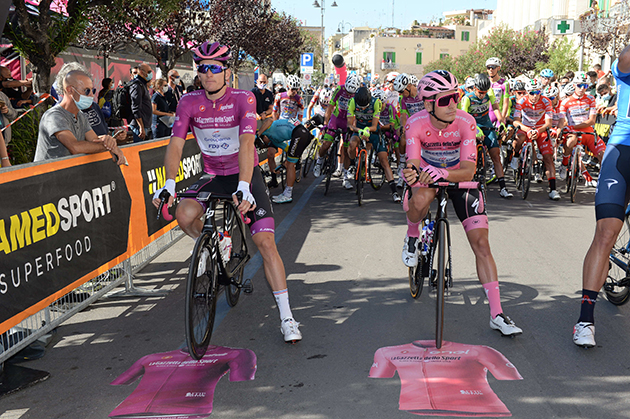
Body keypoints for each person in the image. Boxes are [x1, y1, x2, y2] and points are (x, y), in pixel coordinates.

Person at [151, 41, 302, 343]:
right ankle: (218, 241)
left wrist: (245, 187)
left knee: (266, 242)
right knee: (183, 213)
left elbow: (247, 144)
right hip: (214, 175)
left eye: (214, 68)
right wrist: (169, 182)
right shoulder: (189, 102)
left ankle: (287, 317)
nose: (207, 74)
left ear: (227, 72)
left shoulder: (243, 99)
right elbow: (176, 145)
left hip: (245, 174)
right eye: (202, 68)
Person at [401, 70, 522, 336]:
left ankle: (497, 314)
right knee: (419, 197)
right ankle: (413, 235)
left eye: (456, 97)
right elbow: (412, 159)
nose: (454, 104)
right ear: (428, 103)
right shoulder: (415, 123)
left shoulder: (466, 122)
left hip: (458, 177)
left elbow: (468, 169)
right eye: (446, 100)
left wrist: (443, 173)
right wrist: (411, 171)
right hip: (426, 174)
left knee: (481, 243)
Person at [573, 45, 630, 348]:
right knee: (606, 233)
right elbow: (624, 58)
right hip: (623, 150)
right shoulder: (626, 69)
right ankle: (585, 320)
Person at [33, 64, 125, 164]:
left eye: (93, 90)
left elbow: (94, 140)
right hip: (47, 176)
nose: (92, 95)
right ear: (70, 90)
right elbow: (75, 147)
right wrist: (109, 146)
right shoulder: (54, 116)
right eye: (87, 91)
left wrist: (109, 140)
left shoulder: (81, 115)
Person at [459, 73, 513, 198]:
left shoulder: (489, 93)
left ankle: (503, 188)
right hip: (472, 125)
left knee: (496, 155)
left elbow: (495, 108)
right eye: (479, 92)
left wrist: (501, 122)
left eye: (484, 92)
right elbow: (464, 118)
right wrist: (475, 130)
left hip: (487, 124)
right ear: (474, 88)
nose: (482, 95)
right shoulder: (467, 98)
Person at [346, 86, 401, 202]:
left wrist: (367, 130)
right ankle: (352, 164)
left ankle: (394, 192)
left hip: (373, 131)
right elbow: (350, 125)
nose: (363, 108)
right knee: (351, 144)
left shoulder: (376, 103)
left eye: (365, 106)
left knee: (384, 160)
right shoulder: (352, 102)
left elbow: (375, 126)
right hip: (359, 130)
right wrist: (359, 131)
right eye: (360, 107)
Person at [510, 78, 560, 200]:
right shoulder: (521, 101)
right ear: (527, 92)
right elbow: (516, 121)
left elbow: (548, 123)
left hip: (541, 129)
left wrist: (537, 131)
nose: (534, 96)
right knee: (518, 139)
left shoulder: (546, 101)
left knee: (548, 157)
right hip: (526, 127)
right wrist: (527, 130)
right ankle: (516, 156)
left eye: (537, 92)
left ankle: (553, 189)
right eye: (531, 93)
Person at [258, 114, 322, 204]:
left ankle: (287, 195)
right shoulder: (275, 141)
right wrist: (280, 166)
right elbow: (288, 149)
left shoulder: (266, 129)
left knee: (290, 165)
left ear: (263, 137)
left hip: (299, 133)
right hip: (302, 134)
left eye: (264, 144)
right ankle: (287, 192)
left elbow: (270, 120)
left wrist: (258, 134)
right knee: (289, 163)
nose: (266, 145)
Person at [312, 74, 360, 189]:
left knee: (346, 149)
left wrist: (354, 127)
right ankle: (320, 161)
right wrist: (325, 124)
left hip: (348, 121)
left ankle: (345, 178)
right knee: (326, 144)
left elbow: (357, 114)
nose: (348, 95)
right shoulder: (340, 89)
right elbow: (330, 107)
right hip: (336, 119)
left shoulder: (357, 94)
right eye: (347, 92)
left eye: (350, 94)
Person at [557, 72, 605, 188]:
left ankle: (604, 180)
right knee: (570, 142)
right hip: (572, 133)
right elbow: (562, 120)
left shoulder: (591, 99)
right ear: (574, 85)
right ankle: (564, 164)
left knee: (603, 155)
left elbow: (592, 120)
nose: (582, 88)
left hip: (587, 132)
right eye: (579, 85)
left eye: (585, 86)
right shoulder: (565, 102)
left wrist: (572, 127)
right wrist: (559, 130)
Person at [129, 62, 154, 141]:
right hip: (139, 127)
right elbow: (136, 108)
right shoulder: (137, 85)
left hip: (145, 125)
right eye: (149, 72)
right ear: (142, 72)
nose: (151, 74)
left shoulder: (142, 84)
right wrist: (141, 127)